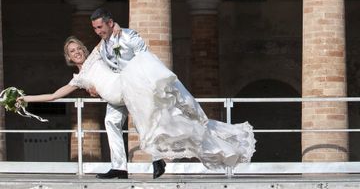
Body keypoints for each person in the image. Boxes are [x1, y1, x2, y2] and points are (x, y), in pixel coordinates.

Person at [21, 17, 256, 179]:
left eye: (78, 48)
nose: (77, 52)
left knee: (147, 121)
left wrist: (116, 28)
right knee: (110, 122)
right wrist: (24, 99)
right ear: (69, 58)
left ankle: (157, 159)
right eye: (72, 52)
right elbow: (53, 96)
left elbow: (107, 35)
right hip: (115, 99)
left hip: (127, 87)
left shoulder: (95, 55)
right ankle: (119, 168)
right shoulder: (77, 79)